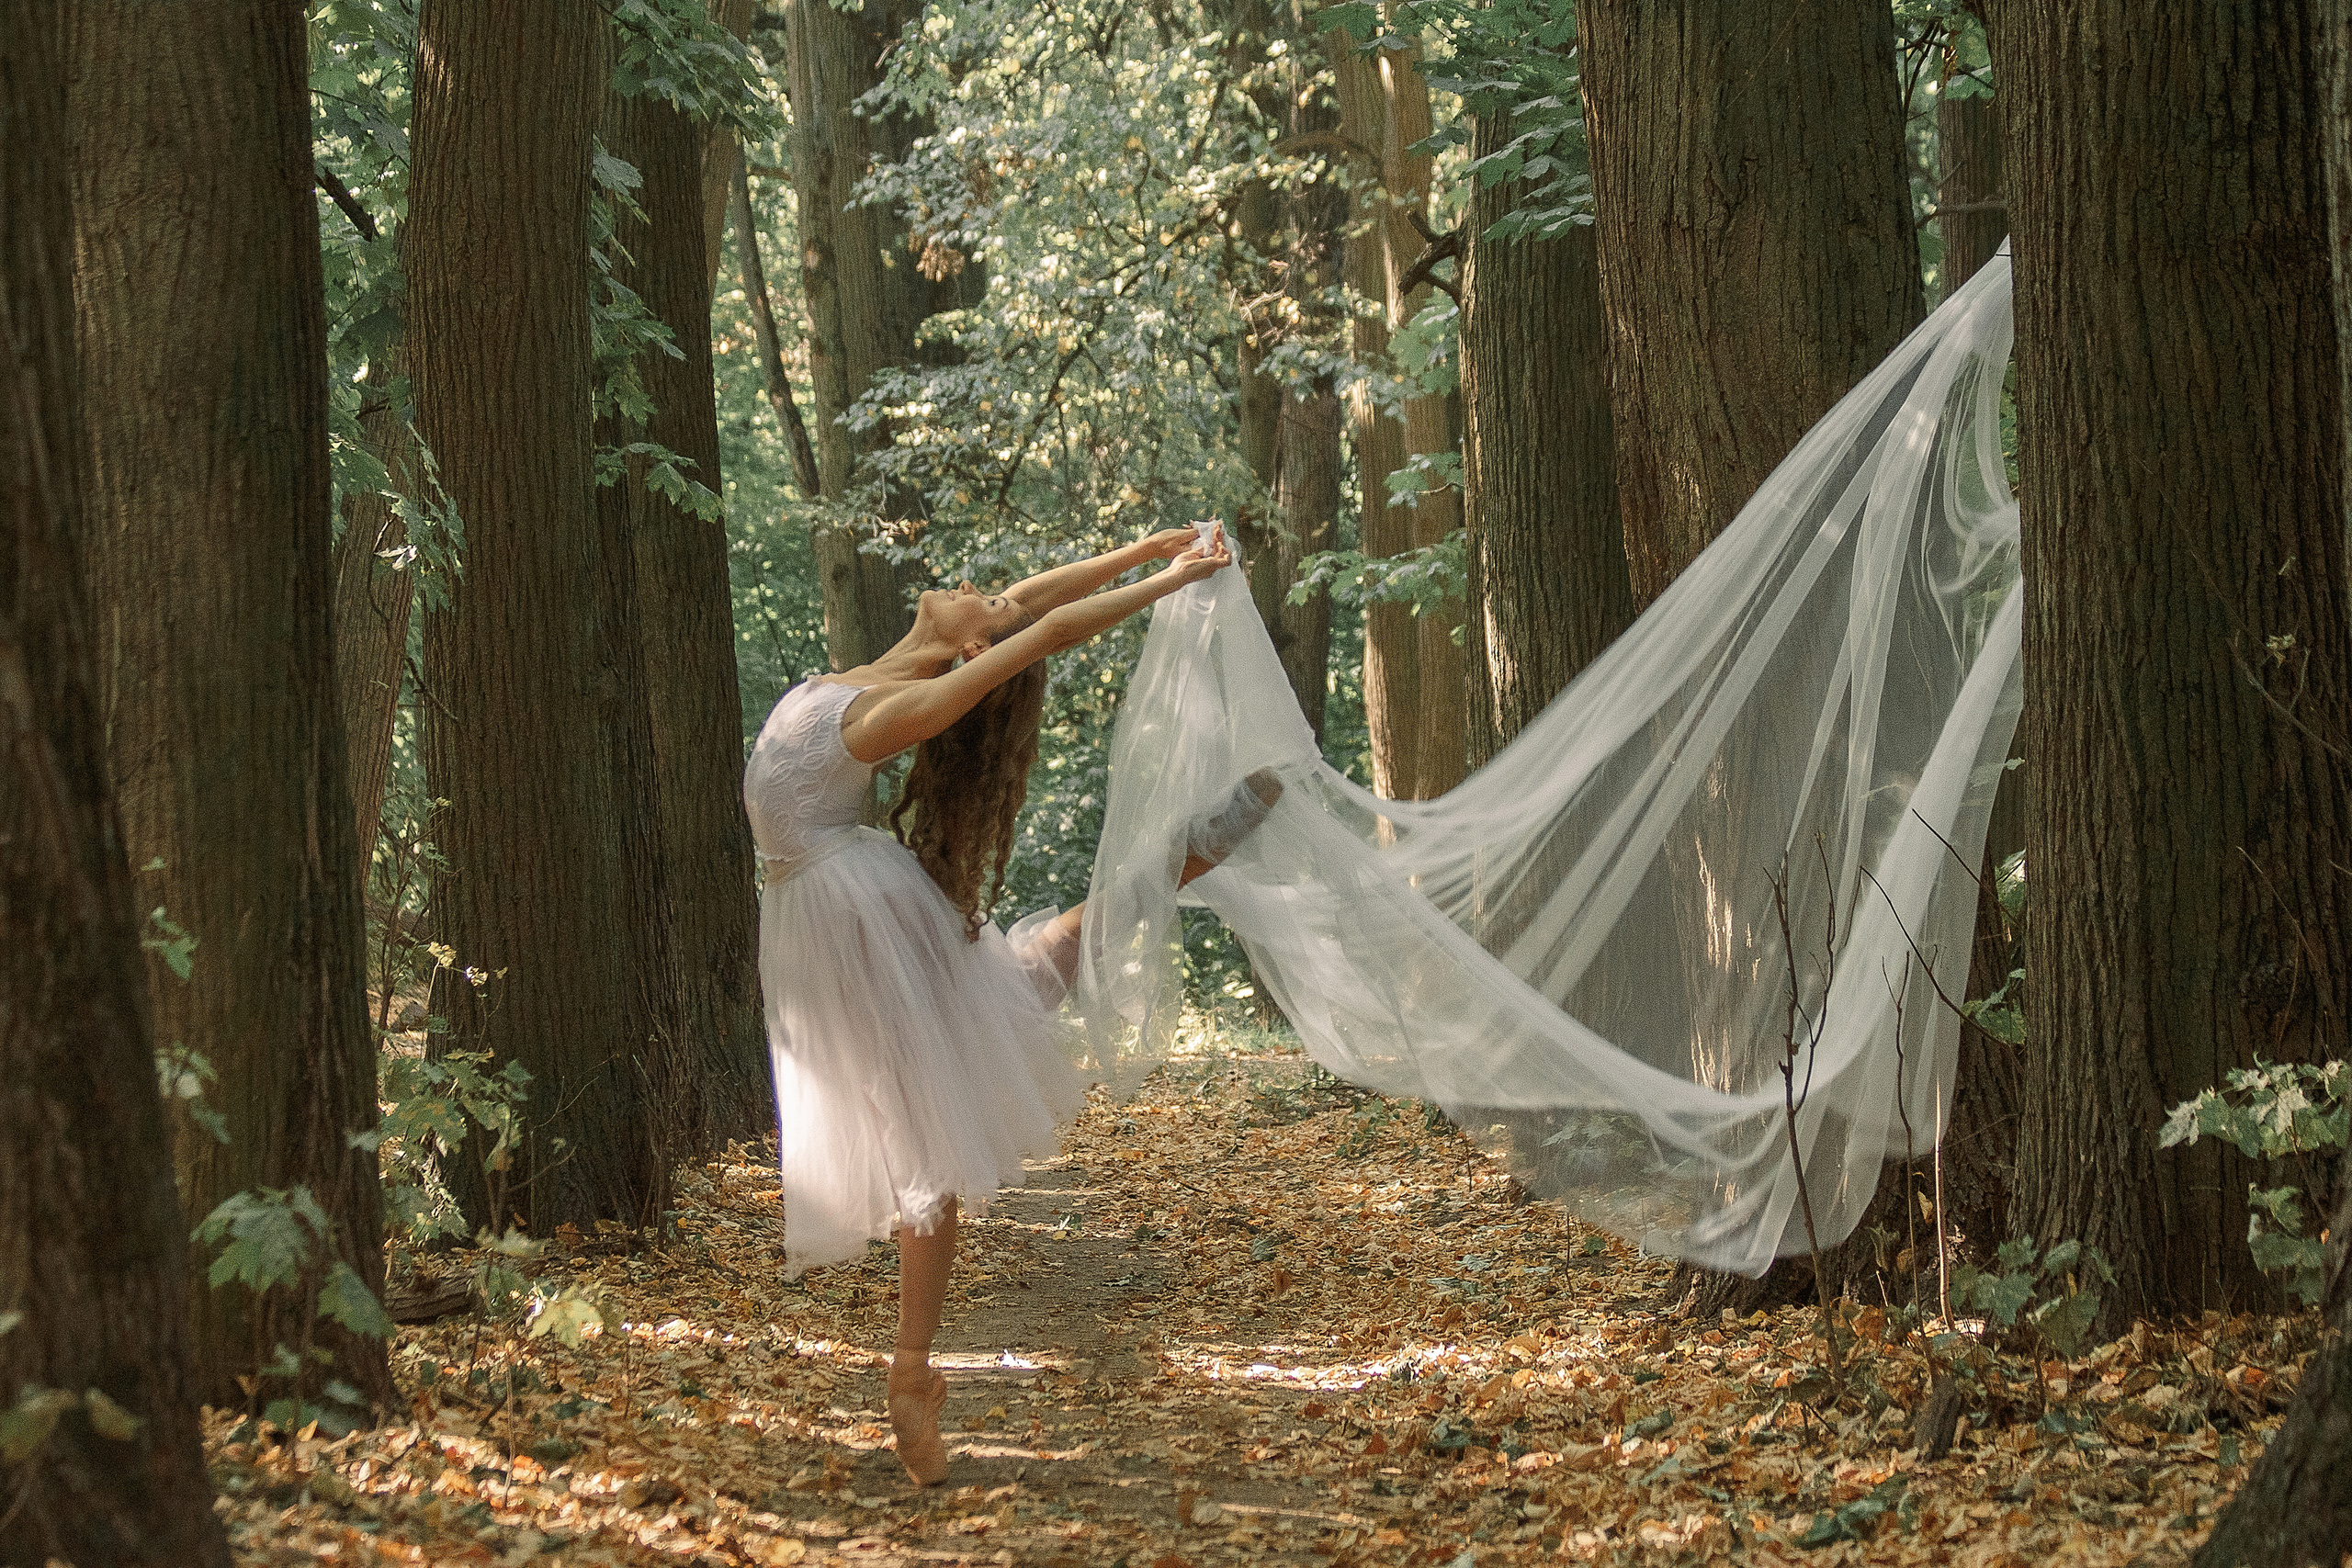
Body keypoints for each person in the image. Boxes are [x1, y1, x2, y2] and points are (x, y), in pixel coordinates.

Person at [743, 525, 1280, 1485]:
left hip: (849, 913)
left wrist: (1172, 581)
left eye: (984, 609)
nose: (982, 589)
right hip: (832, 906)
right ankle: (1180, 858)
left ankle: (911, 1370)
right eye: (987, 595)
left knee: (933, 1108)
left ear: (968, 650)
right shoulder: (874, 672)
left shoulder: (889, 712)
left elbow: (1037, 632)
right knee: (1014, 991)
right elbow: (1032, 606)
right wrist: (1149, 545)